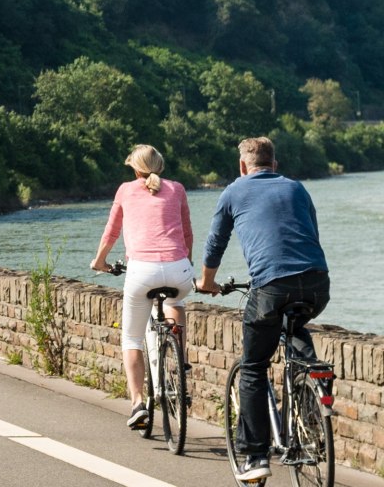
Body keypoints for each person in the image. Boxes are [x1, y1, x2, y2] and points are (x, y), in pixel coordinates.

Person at [195, 136, 331, 484]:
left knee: (253, 367)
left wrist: (206, 282)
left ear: (243, 166)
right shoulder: (296, 188)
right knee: (295, 327)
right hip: (317, 283)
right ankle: (310, 394)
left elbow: (215, 242)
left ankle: (256, 455)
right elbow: (310, 232)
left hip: (271, 286)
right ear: (275, 163)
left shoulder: (233, 191)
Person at [90, 144, 194, 431]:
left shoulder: (125, 190)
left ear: (135, 168)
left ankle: (138, 403)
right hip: (179, 269)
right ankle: (180, 361)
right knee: (176, 302)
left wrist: (100, 262)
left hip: (141, 271)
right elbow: (187, 233)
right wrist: (187, 263)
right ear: (160, 165)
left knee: (132, 338)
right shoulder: (177, 189)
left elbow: (111, 232)